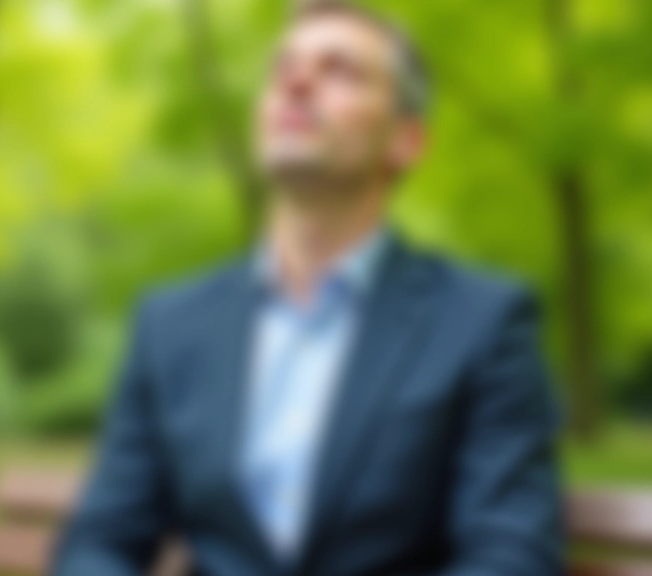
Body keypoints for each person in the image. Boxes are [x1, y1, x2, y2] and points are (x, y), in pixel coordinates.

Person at [52, 1, 563, 574]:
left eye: (340, 70)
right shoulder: (169, 325)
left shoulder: (485, 323)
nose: (297, 83)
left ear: (405, 141)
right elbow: (100, 543)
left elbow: (508, 556)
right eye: (283, 69)